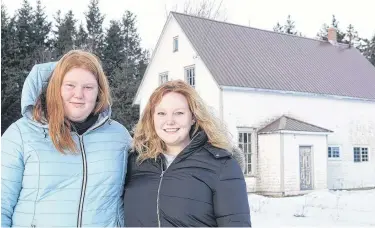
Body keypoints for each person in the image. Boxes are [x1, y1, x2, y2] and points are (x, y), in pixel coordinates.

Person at [1, 50, 131, 227]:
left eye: (88, 87)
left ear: (99, 92)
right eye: (70, 85)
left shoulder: (119, 136)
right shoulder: (20, 134)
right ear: (56, 88)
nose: (79, 94)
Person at [124, 80, 251, 227]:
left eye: (178, 113)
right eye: (161, 113)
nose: (169, 121)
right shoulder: (135, 162)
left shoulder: (222, 165)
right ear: (152, 118)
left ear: (193, 117)